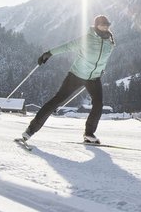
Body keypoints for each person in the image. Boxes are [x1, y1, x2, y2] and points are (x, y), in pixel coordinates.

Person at [22, 15, 116, 144]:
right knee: (56, 101)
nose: (105, 27)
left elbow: (102, 59)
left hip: (94, 78)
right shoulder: (87, 39)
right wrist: (49, 53)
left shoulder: (110, 42)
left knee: (98, 105)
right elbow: (67, 46)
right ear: (96, 26)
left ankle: (89, 134)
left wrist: (101, 70)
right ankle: (30, 130)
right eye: (102, 24)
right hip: (76, 75)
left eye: (107, 25)